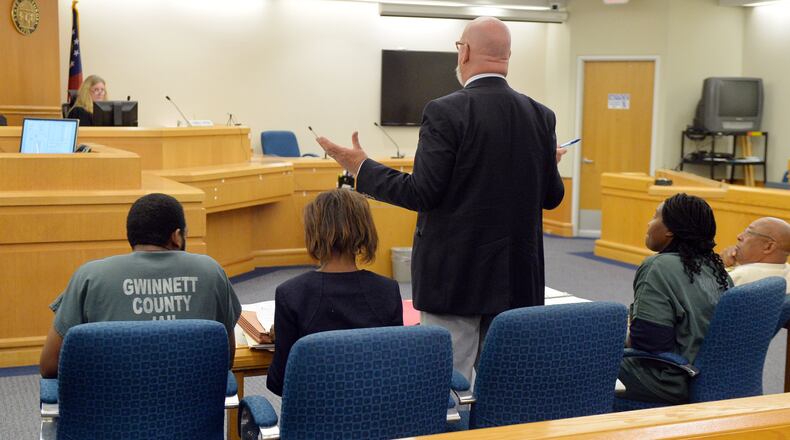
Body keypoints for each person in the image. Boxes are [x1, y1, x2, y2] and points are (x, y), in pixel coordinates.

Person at [317, 17, 565, 380]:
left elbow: (423, 192)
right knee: (507, 389)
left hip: (457, 280)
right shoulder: (541, 115)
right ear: (507, 56)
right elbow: (552, 197)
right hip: (518, 283)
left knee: (450, 390)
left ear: (464, 52)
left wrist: (362, 167)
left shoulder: (446, 111)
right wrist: (544, 164)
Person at [39, 193, 241, 378]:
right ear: (176, 236)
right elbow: (225, 358)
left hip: (110, 414)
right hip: (194, 414)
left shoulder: (89, 276)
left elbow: (49, 365)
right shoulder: (212, 272)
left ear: (131, 234)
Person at [266, 189, 403, 396]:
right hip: (376, 420)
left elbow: (280, 383)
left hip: (314, 424)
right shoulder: (387, 291)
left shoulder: (291, 294)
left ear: (313, 232)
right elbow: (395, 370)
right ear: (366, 230)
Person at [618, 193, 732, 404]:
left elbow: (649, 343)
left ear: (670, 230)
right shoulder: (717, 270)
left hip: (668, 378)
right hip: (710, 377)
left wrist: (609, 335)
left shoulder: (657, 266)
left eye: (655, 216)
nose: (649, 223)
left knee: (582, 363)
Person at [719, 217, 790, 293]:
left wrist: (719, 266)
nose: (739, 236)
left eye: (749, 232)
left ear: (768, 247)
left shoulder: (739, 277)